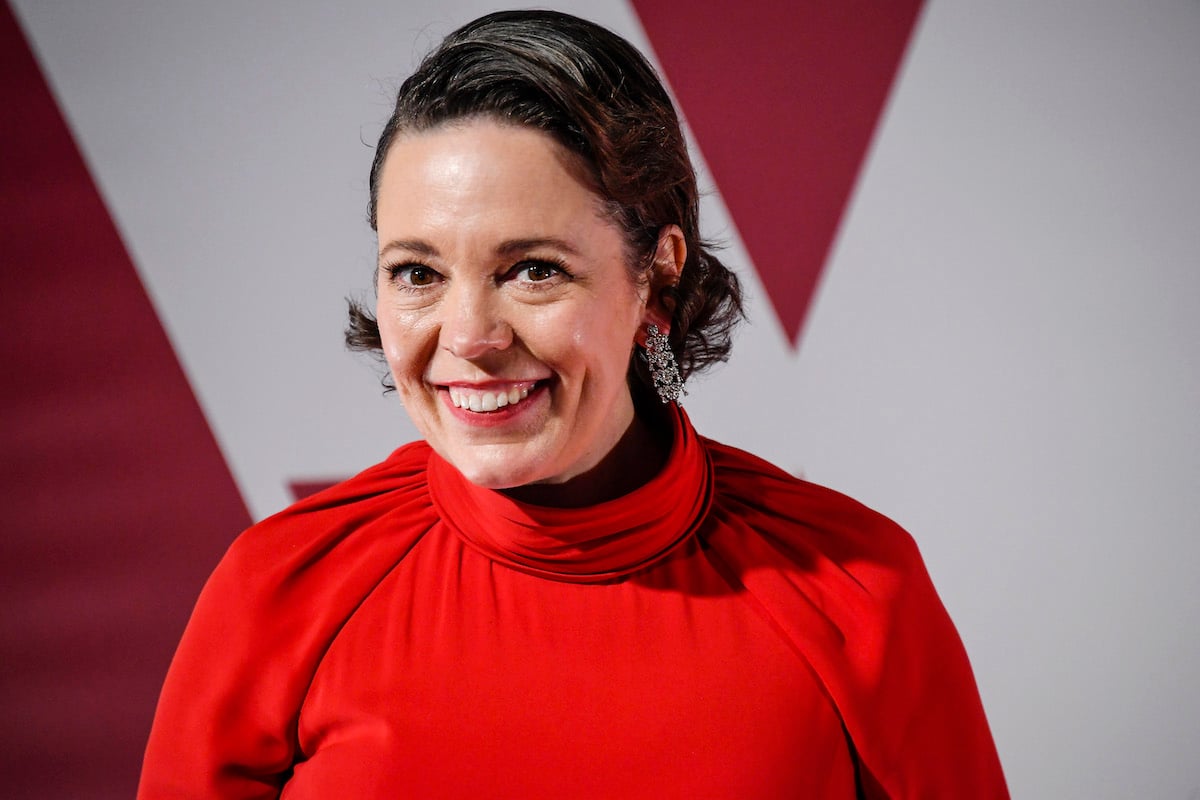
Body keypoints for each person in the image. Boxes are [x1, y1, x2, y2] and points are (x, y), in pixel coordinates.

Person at [138, 10, 1007, 798]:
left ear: (657, 274)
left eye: (534, 270)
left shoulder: (856, 593)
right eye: (418, 273)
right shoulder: (280, 589)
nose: (469, 335)